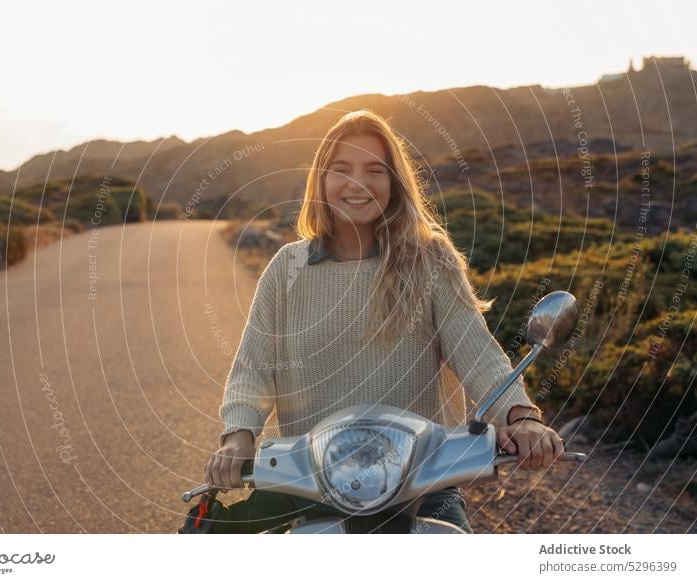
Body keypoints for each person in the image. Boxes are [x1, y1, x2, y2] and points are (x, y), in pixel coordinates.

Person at [203, 110, 566, 533]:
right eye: (341, 170)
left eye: (375, 170)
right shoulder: (287, 269)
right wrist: (238, 437)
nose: (357, 183)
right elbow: (253, 370)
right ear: (320, 181)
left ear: (394, 183)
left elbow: (477, 353)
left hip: (418, 480)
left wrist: (521, 415)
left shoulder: (430, 259)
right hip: (307, 481)